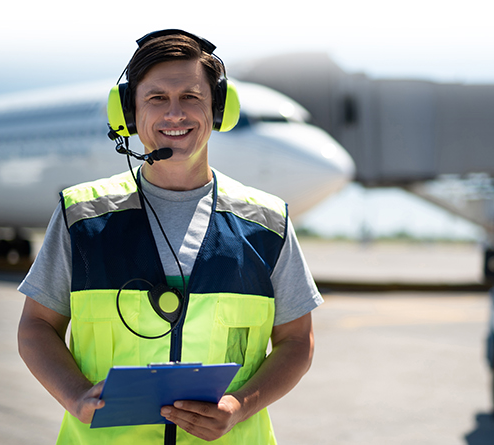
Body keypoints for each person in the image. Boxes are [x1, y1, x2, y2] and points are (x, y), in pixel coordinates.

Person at [16, 29, 321, 444]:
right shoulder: (81, 216)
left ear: (218, 110)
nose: (174, 114)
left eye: (191, 97)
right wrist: (75, 398)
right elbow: (36, 328)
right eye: (157, 98)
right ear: (128, 112)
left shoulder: (267, 221)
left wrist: (239, 407)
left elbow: (296, 342)